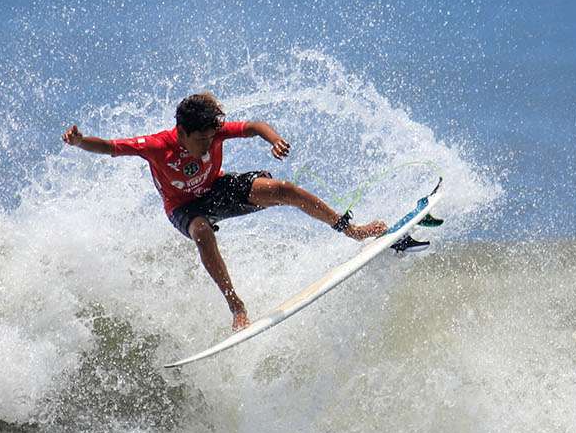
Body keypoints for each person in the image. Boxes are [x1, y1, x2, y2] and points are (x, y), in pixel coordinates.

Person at [63, 93, 387, 331]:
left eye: (210, 138)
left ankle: (352, 230)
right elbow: (110, 147)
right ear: (181, 133)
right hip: (183, 209)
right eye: (200, 140)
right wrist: (80, 142)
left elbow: (255, 126)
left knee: (284, 190)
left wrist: (273, 140)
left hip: (216, 188)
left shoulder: (214, 131)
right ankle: (236, 306)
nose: (207, 145)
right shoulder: (156, 145)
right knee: (202, 232)